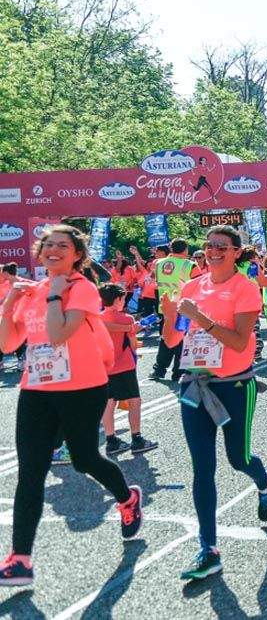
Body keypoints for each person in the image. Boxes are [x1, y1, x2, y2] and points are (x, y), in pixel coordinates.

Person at [0, 225, 143, 586]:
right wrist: (9, 304)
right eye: (48, 245)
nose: (53, 250)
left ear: (77, 254)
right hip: (36, 388)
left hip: (82, 388)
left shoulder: (83, 288)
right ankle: (20, 559)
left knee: (84, 460)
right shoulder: (34, 291)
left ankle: (127, 498)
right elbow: (7, 344)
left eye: (63, 246)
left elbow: (59, 333)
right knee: (31, 471)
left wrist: (54, 297)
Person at [160, 225, 267, 581]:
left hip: (235, 385)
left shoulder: (245, 287)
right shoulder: (193, 285)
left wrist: (202, 320)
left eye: (221, 247)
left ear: (237, 252)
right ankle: (208, 548)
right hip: (194, 384)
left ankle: (265, 482)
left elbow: (241, 343)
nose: (212, 251)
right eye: (209, 246)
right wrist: (170, 316)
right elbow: (174, 336)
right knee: (202, 468)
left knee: (238, 459)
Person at [99, 283, 157, 456]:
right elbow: (132, 344)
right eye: (123, 299)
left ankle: (111, 440)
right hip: (124, 366)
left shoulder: (98, 318)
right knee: (134, 401)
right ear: (118, 299)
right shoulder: (127, 319)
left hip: (105, 366)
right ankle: (137, 438)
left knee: (109, 403)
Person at [150, 238, 198, 381]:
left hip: (165, 307)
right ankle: (178, 372)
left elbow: (157, 283)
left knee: (166, 338)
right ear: (186, 250)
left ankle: (159, 370)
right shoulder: (190, 265)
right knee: (182, 340)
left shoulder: (158, 264)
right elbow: (199, 286)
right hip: (184, 308)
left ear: (171, 249)